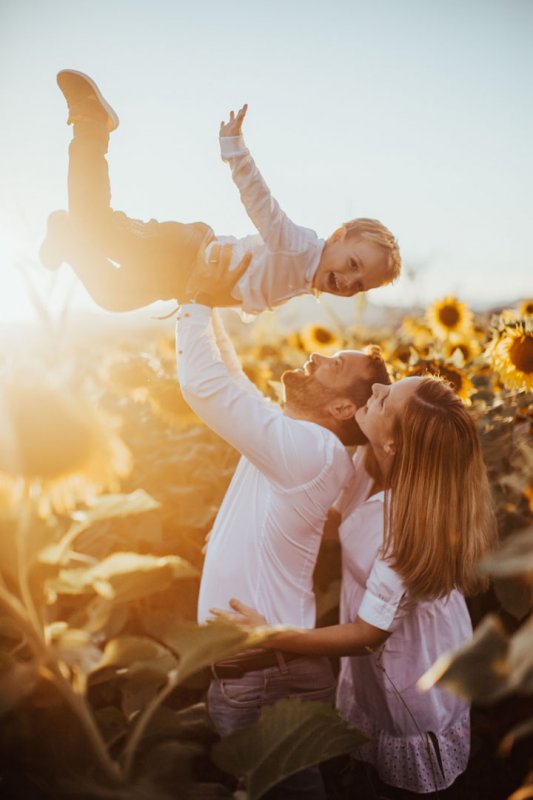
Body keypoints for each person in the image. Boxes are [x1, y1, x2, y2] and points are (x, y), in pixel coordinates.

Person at [214, 376, 497, 798]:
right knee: (368, 767)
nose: (376, 391)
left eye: (385, 402)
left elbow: (369, 635)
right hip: (384, 664)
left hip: (412, 677)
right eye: (386, 385)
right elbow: (337, 524)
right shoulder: (371, 466)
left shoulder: (405, 527)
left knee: (402, 785)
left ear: (395, 444)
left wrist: (269, 635)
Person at [176, 244, 391, 800]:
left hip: (264, 672)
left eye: (334, 365)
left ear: (344, 410)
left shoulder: (309, 450)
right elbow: (237, 384)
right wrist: (215, 307)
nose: (317, 357)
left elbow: (208, 389)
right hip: (266, 669)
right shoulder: (306, 444)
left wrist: (197, 298)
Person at [40, 69, 401, 317]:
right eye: (354, 265)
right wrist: (234, 149)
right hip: (186, 251)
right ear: (338, 236)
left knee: (112, 296)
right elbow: (262, 205)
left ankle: (65, 233)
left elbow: (242, 291)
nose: (349, 282)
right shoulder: (301, 247)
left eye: (360, 286)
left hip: (183, 279)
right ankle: (90, 122)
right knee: (96, 225)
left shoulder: (305, 279)